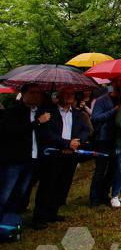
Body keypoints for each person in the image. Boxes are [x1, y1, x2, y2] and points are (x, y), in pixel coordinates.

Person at [33, 88, 89, 228]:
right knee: (48, 184)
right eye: (66, 94)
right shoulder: (48, 112)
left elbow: (85, 130)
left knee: (63, 184)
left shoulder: (77, 114)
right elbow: (45, 133)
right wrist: (65, 143)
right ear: (58, 96)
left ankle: (53, 212)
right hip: (54, 153)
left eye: (72, 94)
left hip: (71, 154)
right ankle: (40, 217)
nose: (70, 96)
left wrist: (77, 142)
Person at [0, 85, 49, 229]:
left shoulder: (41, 112)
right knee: (5, 192)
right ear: (23, 94)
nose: (35, 96)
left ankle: (10, 222)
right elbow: (10, 132)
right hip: (14, 159)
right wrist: (37, 122)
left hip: (33, 158)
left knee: (21, 192)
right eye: (32, 93)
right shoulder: (13, 112)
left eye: (38, 93)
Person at [88, 85, 116, 206]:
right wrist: (114, 110)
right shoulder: (102, 100)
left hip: (118, 139)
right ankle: (94, 197)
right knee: (100, 169)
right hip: (103, 139)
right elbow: (95, 118)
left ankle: (104, 194)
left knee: (113, 169)